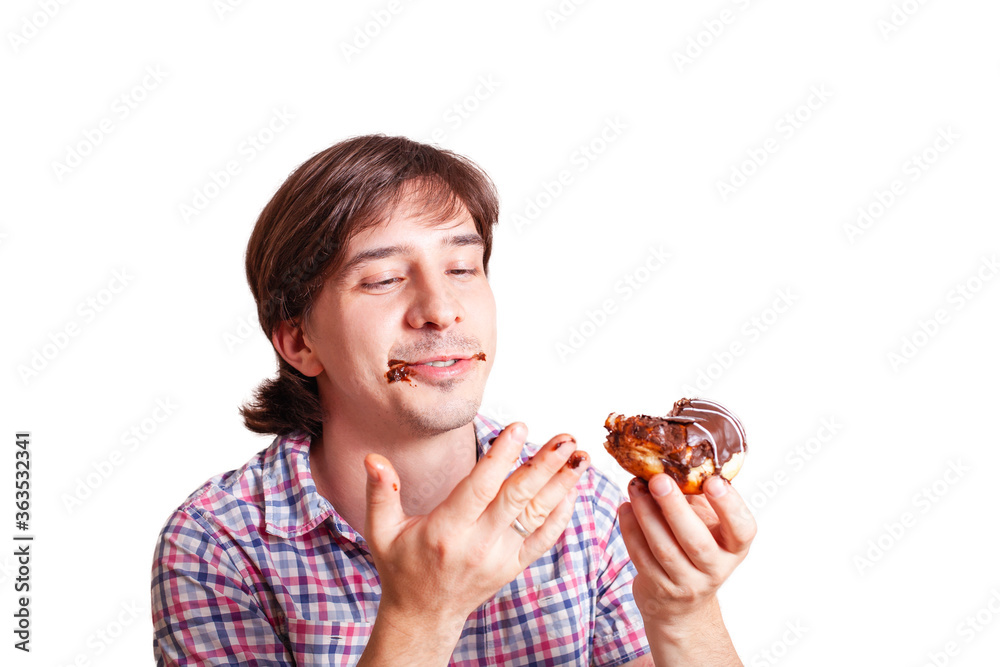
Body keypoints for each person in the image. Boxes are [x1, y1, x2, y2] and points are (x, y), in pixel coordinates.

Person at [150, 134, 756, 666]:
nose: (441, 310)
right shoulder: (217, 543)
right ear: (299, 341)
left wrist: (684, 615)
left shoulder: (586, 511)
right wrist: (421, 616)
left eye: (463, 268)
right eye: (384, 278)